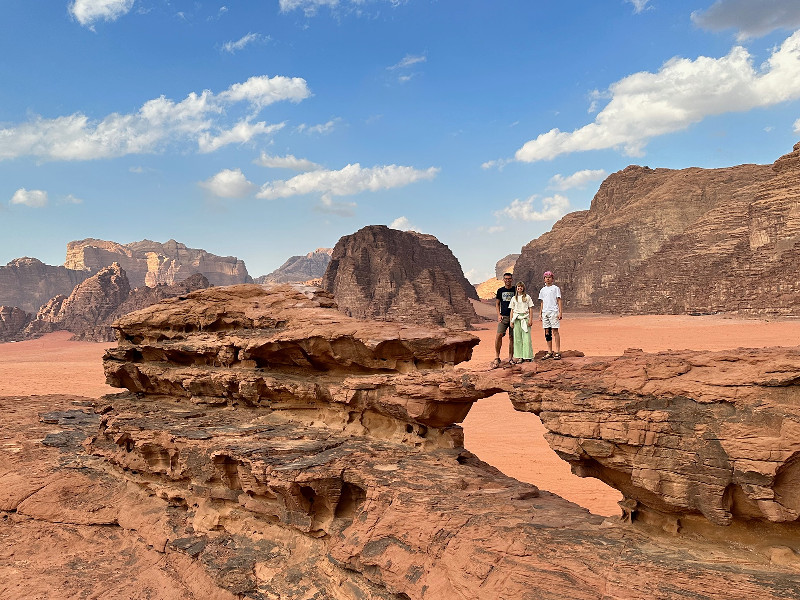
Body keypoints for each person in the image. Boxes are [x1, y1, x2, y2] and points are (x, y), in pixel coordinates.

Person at [491, 272, 515, 368]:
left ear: (511, 279)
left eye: (509, 278)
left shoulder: (515, 290)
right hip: (504, 317)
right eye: (506, 279)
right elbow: (497, 303)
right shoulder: (500, 291)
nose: (508, 280)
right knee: (499, 335)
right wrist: (498, 314)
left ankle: (510, 357)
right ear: (503, 280)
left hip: (514, 317)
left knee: (512, 337)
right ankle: (497, 357)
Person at [538, 270, 563, 360]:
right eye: (546, 278)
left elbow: (559, 300)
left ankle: (558, 351)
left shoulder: (556, 288)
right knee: (547, 332)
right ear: (544, 279)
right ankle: (549, 351)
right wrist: (540, 313)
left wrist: (560, 312)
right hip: (545, 312)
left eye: (549, 277)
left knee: (555, 331)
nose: (548, 279)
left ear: (552, 279)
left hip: (554, 312)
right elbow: (542, 302)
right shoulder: (542, 290)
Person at [508, 281, 534, 363]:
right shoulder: (513, 298)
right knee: (517, 338)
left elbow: (530, 309)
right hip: (516, 319)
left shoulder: (527, 297)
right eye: (518, 287)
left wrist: (530, 319)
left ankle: (528, 356)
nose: (520, 288)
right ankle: (519, 357)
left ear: (523, 288)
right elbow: (512, 310)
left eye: (521, 287)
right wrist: (511, 321)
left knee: (527, 338)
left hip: (525, 318)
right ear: (516, 288)